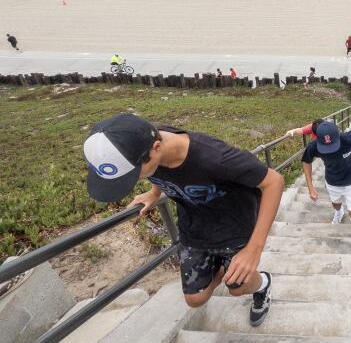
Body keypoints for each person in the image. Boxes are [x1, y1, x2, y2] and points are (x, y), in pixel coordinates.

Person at [83, 113, 284, 325]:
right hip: (194, 227)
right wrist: (153, 194)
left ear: (157, 149)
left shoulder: (214, 157)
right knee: (195, 299)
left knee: (238, 288)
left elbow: (274, 181)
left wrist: (254, 250)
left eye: (133, 175)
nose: (134, 181)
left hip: (234, 227)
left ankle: (263, 284)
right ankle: (224, 267)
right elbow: (158, 171)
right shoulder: (143, 141)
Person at [301, 120, 351, 225]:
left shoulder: (349, 138)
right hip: (332, 179)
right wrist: (310, 187)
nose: (330, 150)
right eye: (326, 148)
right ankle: (339, 212)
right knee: (336, 203)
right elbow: (306, 161)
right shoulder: (314, 146)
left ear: (338, 135)